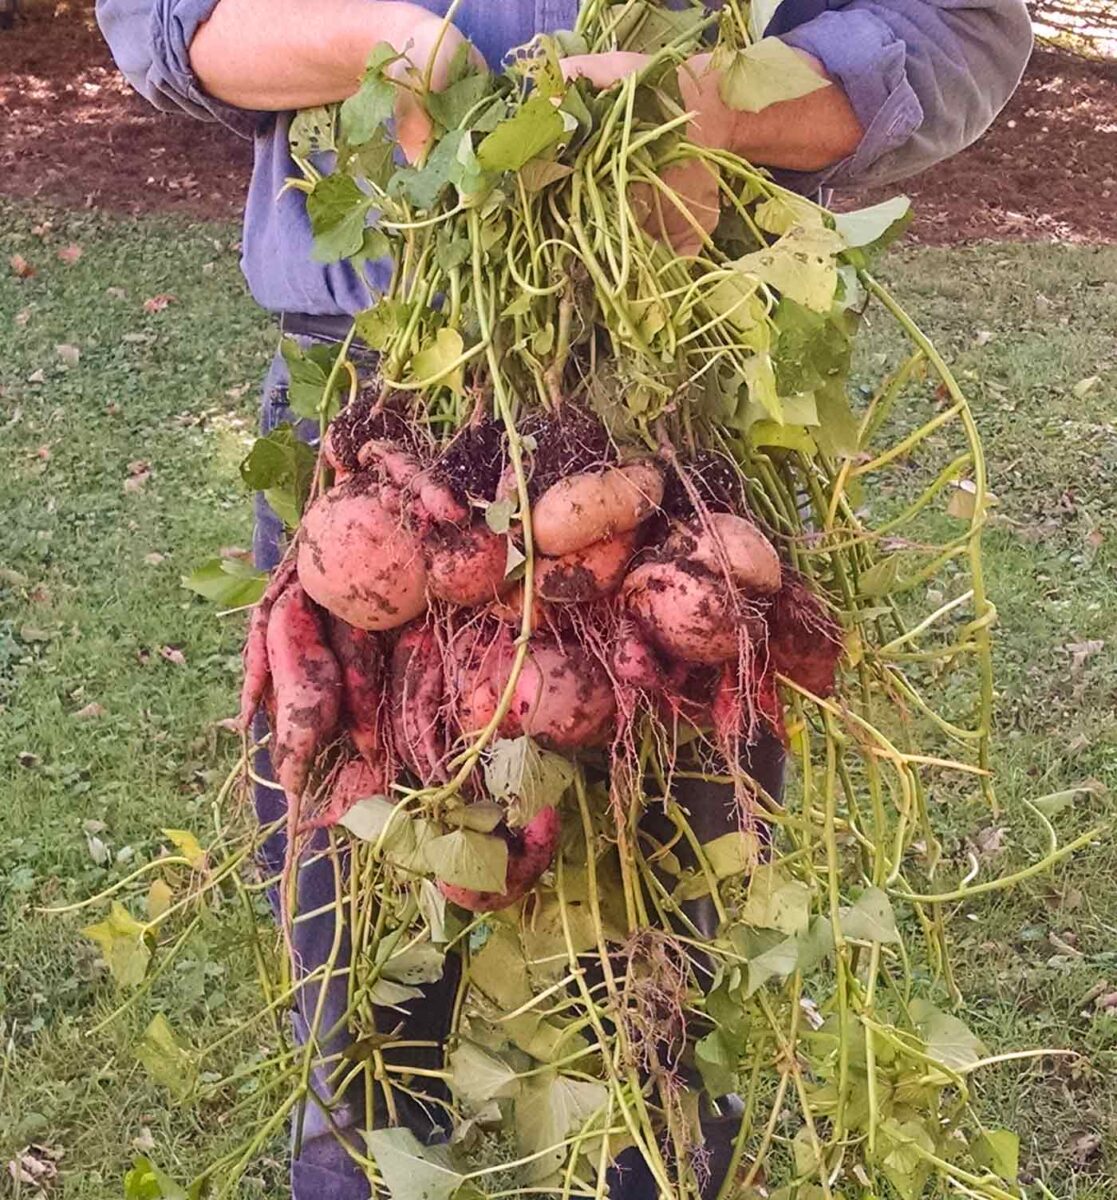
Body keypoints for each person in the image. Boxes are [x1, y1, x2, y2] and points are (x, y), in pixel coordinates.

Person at [95, 1, 1034, 1196]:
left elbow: (953, 25)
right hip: (373, 421)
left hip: (676, 417)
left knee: (664, 1006)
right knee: (358, 1007)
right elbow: (164, 18)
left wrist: (701, 103)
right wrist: (400, 48)